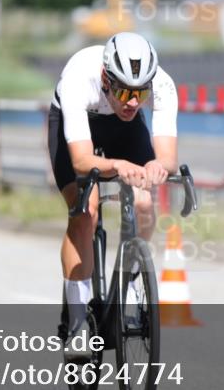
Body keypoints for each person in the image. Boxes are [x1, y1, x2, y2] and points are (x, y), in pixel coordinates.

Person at [48, 32, 178, 343]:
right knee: (86, 212)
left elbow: (168, 157)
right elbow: (81, 160)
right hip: (78, 128)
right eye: (125, 93)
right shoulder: (80, 78)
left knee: (145, 202)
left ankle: (131, 284)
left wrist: (156, 168)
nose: (133, 102)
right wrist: (118, 165)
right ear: (106, 79)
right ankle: (78, 322)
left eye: (140, 94)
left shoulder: (161, 83)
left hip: (124, 131)